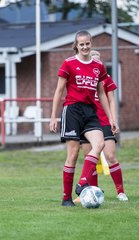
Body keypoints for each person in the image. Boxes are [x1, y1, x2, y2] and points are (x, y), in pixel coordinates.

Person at [49, 30, 119, 207]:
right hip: (72, 110)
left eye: (87, 43)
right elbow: (58, 91)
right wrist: (53, 117)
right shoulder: (68, 64)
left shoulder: (98, 66)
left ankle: (82, 183)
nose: (85, 47)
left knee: (99, 144)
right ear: (76, 46)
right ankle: (66, 198)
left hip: (90, 111)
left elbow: (102, 94)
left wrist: (111, 117)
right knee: (72, 155)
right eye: (81, 44)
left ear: (91, 43)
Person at [76, 50, 128, 202]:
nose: (96, 62)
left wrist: (113, 119)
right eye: (93, 59)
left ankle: (120, 192)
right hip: (86, 123)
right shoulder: (83, 78)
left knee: (110, 156)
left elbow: (111, 100)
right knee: (90, 158)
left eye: (98, 60)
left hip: (103, 122)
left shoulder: (105, 79)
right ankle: (93, 191)